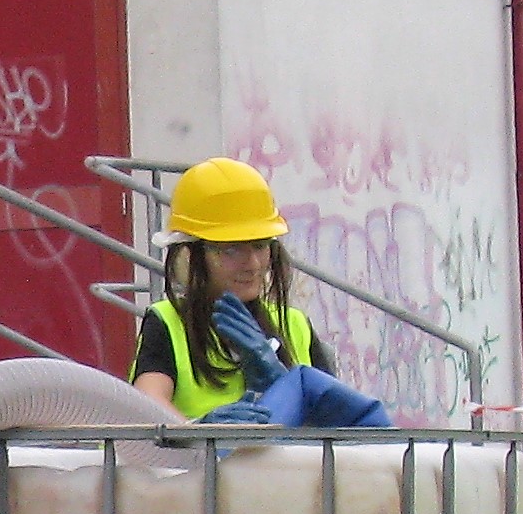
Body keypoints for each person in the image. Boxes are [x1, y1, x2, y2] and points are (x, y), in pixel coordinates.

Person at [129, 158, 388, 428]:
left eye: (260, 245)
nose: (252, 264)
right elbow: (147, 409)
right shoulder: (168, 322)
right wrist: (197, 431)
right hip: (203, 458)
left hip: (285, 458)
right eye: (231, 250)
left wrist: (285, 386)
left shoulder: (295, 325)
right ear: (188, 257)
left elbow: (340, 426)